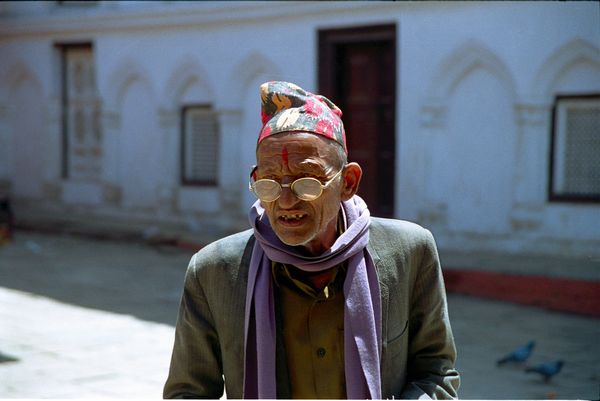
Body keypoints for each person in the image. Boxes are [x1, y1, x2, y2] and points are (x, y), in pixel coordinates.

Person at [163, 81, 460, 399]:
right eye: (269, 182)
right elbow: (188, 393)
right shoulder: (214, 270)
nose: (287, 201)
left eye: (307, 182)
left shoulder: (409, 251)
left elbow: (436, 372)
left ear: (348, 182)